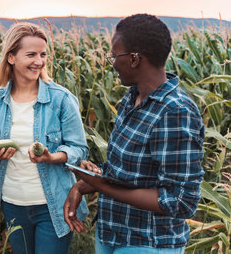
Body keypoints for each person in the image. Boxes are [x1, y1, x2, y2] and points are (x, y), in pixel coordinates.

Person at [64, 14, 204, 254]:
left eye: (114, 56)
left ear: (135, 59)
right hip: (113, 232)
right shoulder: (131, 99)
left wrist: (103, 186)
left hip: (147, 243)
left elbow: (181, 200)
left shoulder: (174, 111)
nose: (112, 63)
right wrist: (84, 184)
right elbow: (126, 172)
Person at [0, 22, 89, 254]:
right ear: (11, 57)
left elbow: (79, 148)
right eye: (31, 54)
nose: (39, 61)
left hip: (52, 205)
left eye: (43, 54)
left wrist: (52, 157)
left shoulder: (61, 99)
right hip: (13, 203)